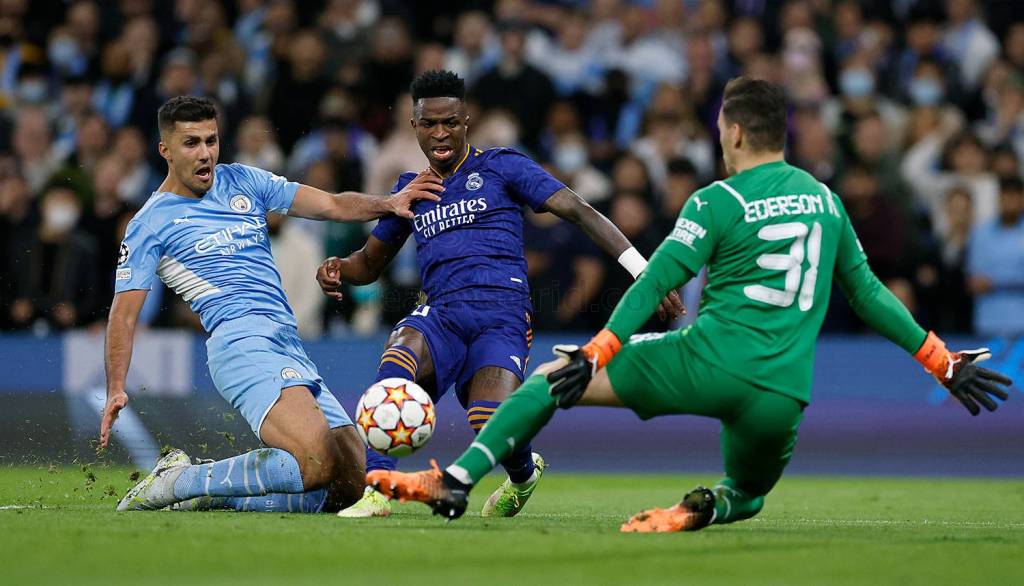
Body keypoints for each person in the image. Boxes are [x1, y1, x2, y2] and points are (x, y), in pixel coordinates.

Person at [365, 77, 1014, 531]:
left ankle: (456, 480)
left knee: (547, 380)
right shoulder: (826, 201)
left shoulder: (717, 200)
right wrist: (941, 360)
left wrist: (597, 351)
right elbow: (868, 295)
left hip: (705, 361)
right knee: (749, 494)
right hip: (784, 392)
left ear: (734, 132)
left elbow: (653, 284)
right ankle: (707, 507)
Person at [316, 70, 683, 518]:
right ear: (414, 126)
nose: (440, 133)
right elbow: (368, 266)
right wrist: (338, 268)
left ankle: (524, 474)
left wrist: (645, 273)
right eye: (429, 124)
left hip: (502, 316)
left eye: (450, 122)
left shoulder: (502, 166)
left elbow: (578, 210)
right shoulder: (409, 190)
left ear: (466, 121)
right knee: (399, 357)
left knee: (486, 418)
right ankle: (376, 491)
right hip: (441, 315)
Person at [101, 96, 442, 514]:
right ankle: (179, 481)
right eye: (191, 143)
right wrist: (116, 387)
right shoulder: (149, 223)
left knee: (353, 484)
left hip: (286, 340)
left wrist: (388, 203)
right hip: (240, 342)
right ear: (165, 150)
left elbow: (331, 204)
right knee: (315, 459)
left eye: (211, 140)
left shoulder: (243, 180)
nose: (205, 153)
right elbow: (124, 313)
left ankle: (211, 498)